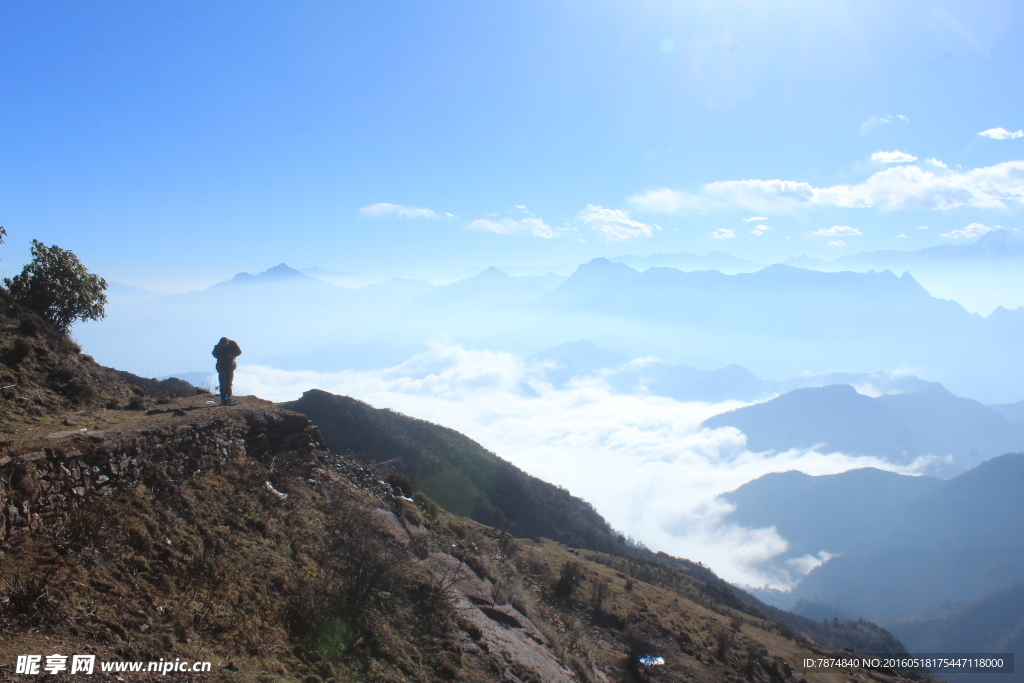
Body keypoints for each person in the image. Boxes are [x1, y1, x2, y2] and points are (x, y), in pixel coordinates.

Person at [212, 337, 242, 405]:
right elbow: (214, 353)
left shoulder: (233, 344)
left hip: (230, 366)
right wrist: (221, 357)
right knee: (223, 384)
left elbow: (239, 352)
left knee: (229, 383)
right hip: (222, 367)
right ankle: (224, 400)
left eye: (225, 344)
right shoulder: (218, 346)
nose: (224, 346)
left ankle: (229, 399)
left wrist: (232, 355)